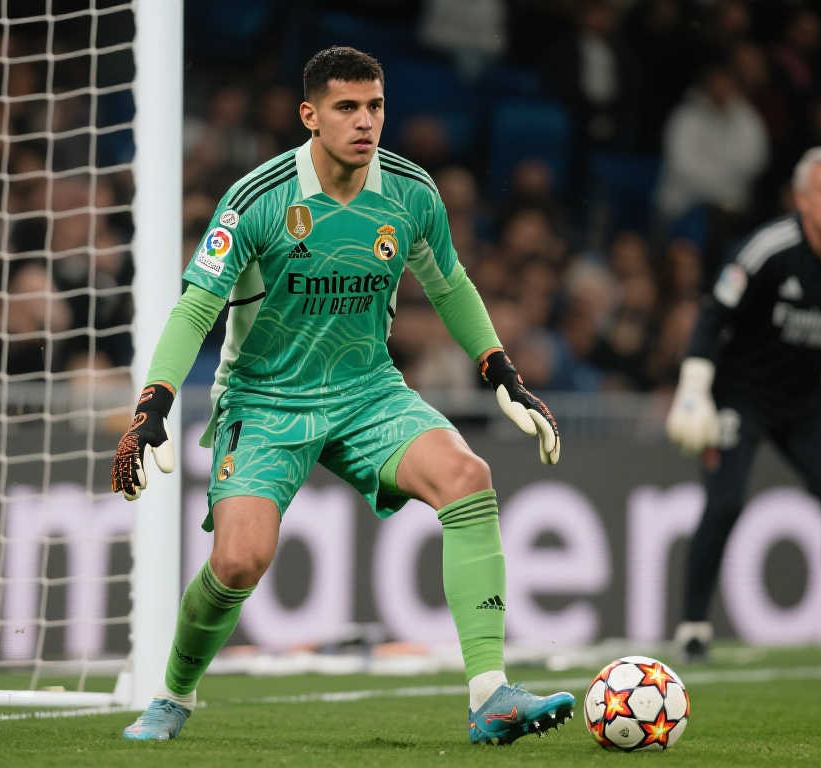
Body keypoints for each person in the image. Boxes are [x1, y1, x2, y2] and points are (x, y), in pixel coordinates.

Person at [111, 46, 572, 744]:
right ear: (310, 115)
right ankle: (174, 695)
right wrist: (154, 406)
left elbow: (450, 284)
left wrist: (501, 371)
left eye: (375, 106)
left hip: (367, 392)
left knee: (467, 475)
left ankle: (490, 695)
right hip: (265, 400)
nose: (365, 122)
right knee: (238, 561)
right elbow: (196, 307)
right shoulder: (258, 199)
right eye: (347, 107)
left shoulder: (411, 192)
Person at [665, 146, 821, 665]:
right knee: (724, 503)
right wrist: (694, 389)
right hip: (740, 394)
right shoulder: (767, 250)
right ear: (802, 199)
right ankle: (693, 629)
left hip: (807, 399)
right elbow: (713, 316)